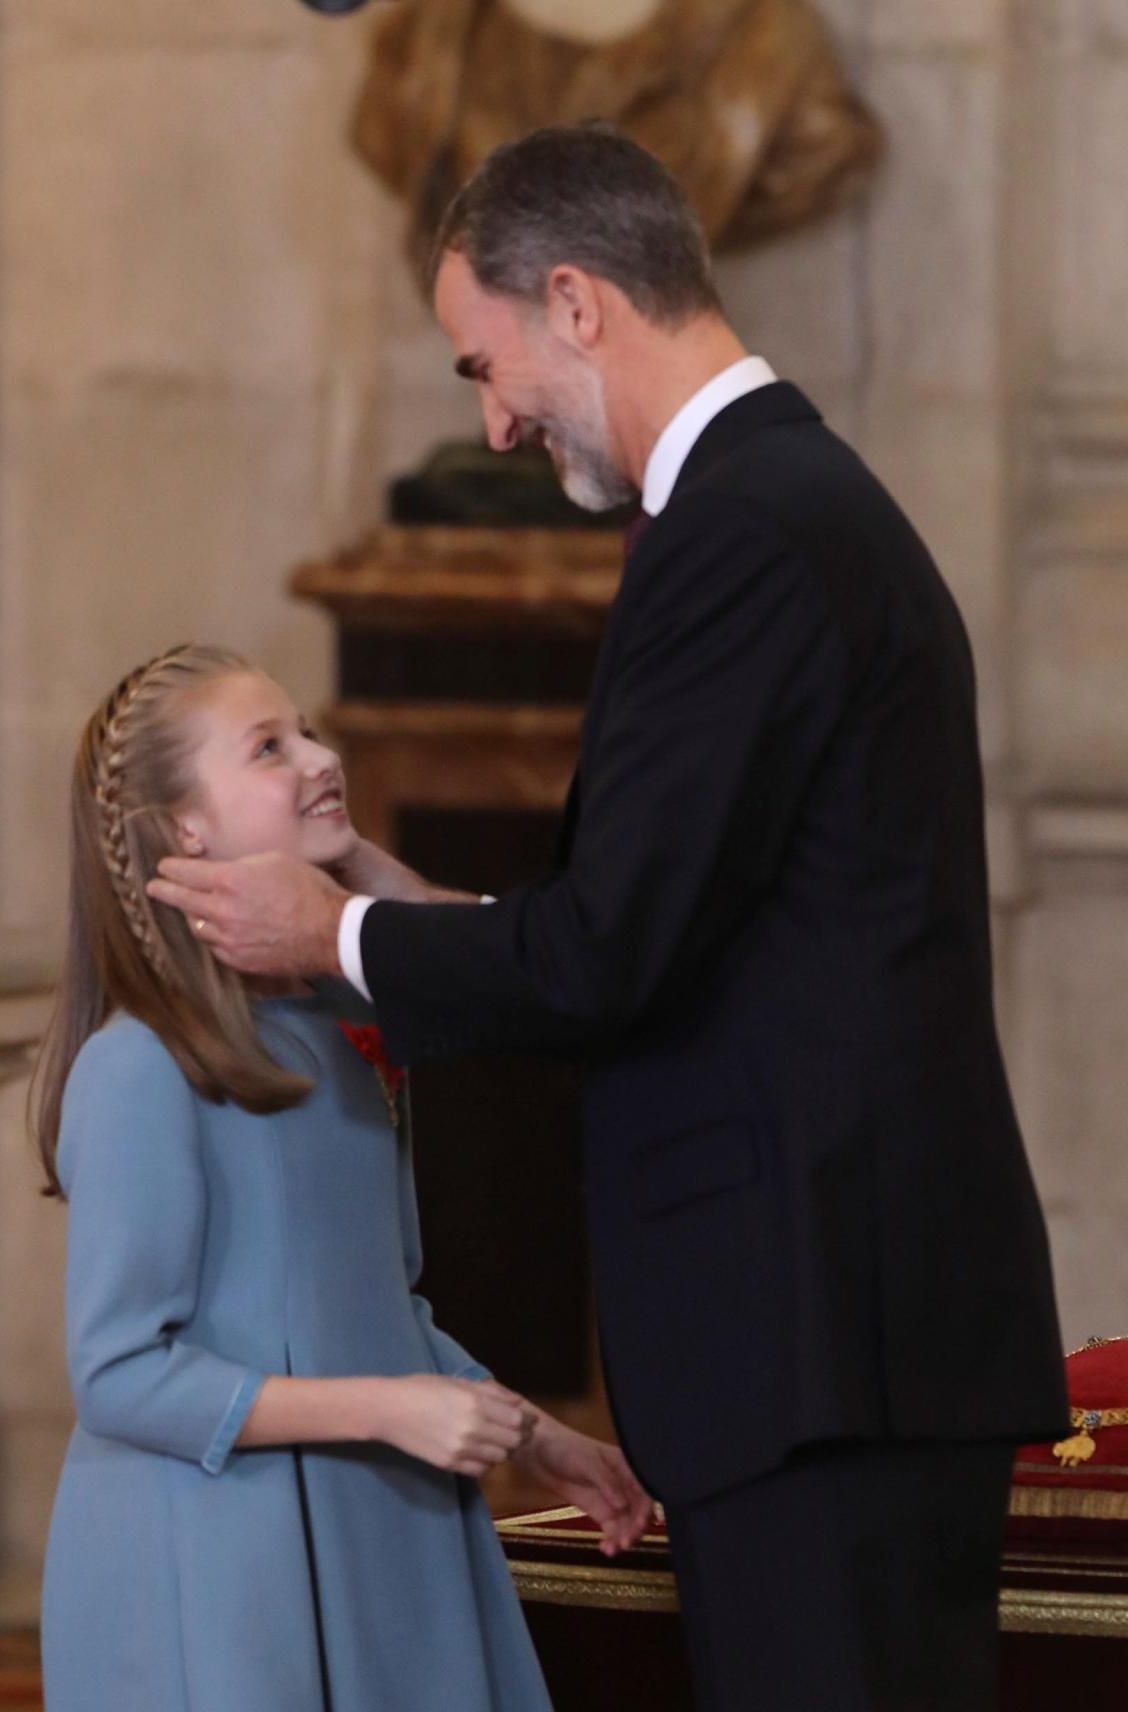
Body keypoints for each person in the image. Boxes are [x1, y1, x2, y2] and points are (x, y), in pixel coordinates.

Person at [148, 130, 1070, 1711]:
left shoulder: (743, 527)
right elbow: (687, 920)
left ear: (574, 302)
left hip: (818, 1348)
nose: (492, 419)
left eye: (483, 364)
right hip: (835, 1339)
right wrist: (418, 901)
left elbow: (615, 956)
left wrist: (333, 937)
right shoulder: (774, 503)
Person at [34, 643, 651, 1712]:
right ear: (187, 830)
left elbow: (381, 1303)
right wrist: (388, 1410)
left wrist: (531, 1429)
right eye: (270, 746)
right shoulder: (139, 1067)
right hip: (227, 1569)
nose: (321, 758)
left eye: (309, 730)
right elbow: (121, 1368)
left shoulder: (349, 1028)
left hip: (379, 1531)